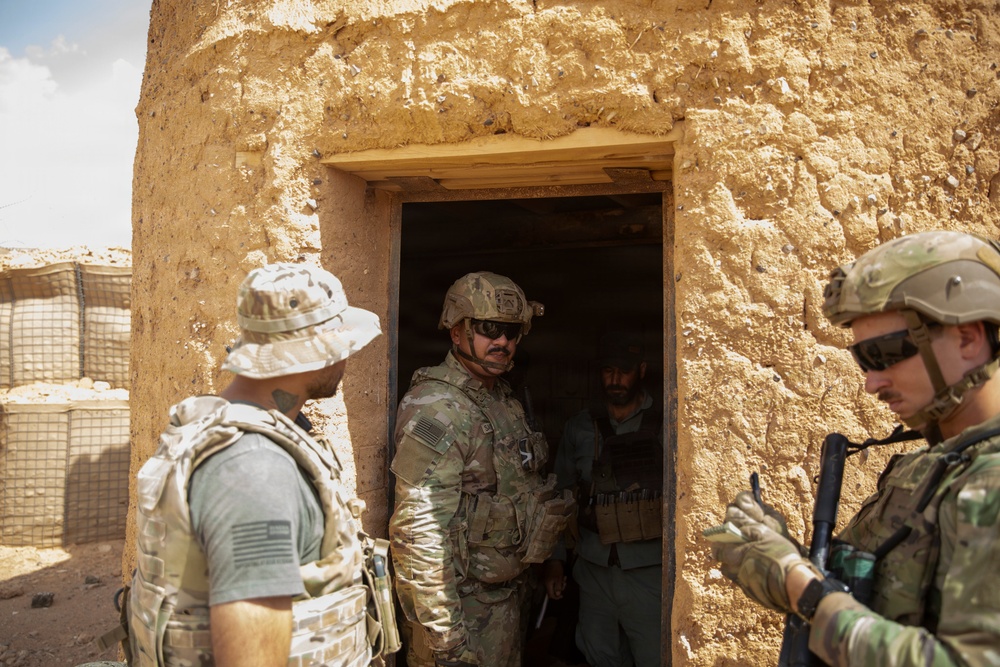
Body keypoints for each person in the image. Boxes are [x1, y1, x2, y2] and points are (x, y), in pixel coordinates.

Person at [709, 230, 1000, 665]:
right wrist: (773, 556)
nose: (871, 382)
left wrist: (798, 587)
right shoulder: (936, 467)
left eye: (884, 353)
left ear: (967, 338)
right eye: (863, 360)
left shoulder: (989, 484)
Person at [123, 263, 390, 667]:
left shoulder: (240, 429)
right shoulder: (253, 469)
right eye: (341, 342)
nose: (347, 357)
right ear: (317, 350)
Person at [388, 271, 574, 667]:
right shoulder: (438, 407)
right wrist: (446, 640)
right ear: (456, 332)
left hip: (504, 602)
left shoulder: (502, 401)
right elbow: (418, 531)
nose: (502, 341)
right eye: (489, 328)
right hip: (461, 615)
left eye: (511, 331)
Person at [543, 331, 663, 667]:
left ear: (641, 370)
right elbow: (560, 496)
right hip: (594, 569)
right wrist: (555, 561)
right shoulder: (581, 427)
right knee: (598, 655)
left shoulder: (667, 423)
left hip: (649, 569)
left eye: (623, 371)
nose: (615, 379)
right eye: (608, 370)